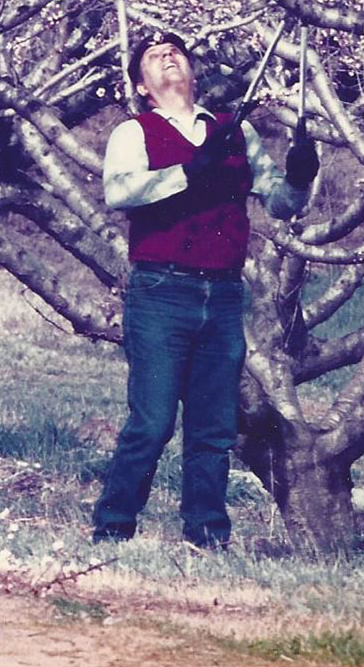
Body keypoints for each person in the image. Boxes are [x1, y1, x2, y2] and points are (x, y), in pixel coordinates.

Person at [91, 31, 319, 549]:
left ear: (192, 72)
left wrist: (302, 177)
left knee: (213, 429)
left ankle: (208, 537)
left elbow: (281, 203)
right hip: (160, 292)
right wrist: (189, 170)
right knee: (151, 423)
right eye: (154, 56)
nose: (168, 56)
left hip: (222, 296)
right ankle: (112, 529)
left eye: (176, 51)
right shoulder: (134, 131)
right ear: (142, 86)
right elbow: (119, 191)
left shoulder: (235, 133)